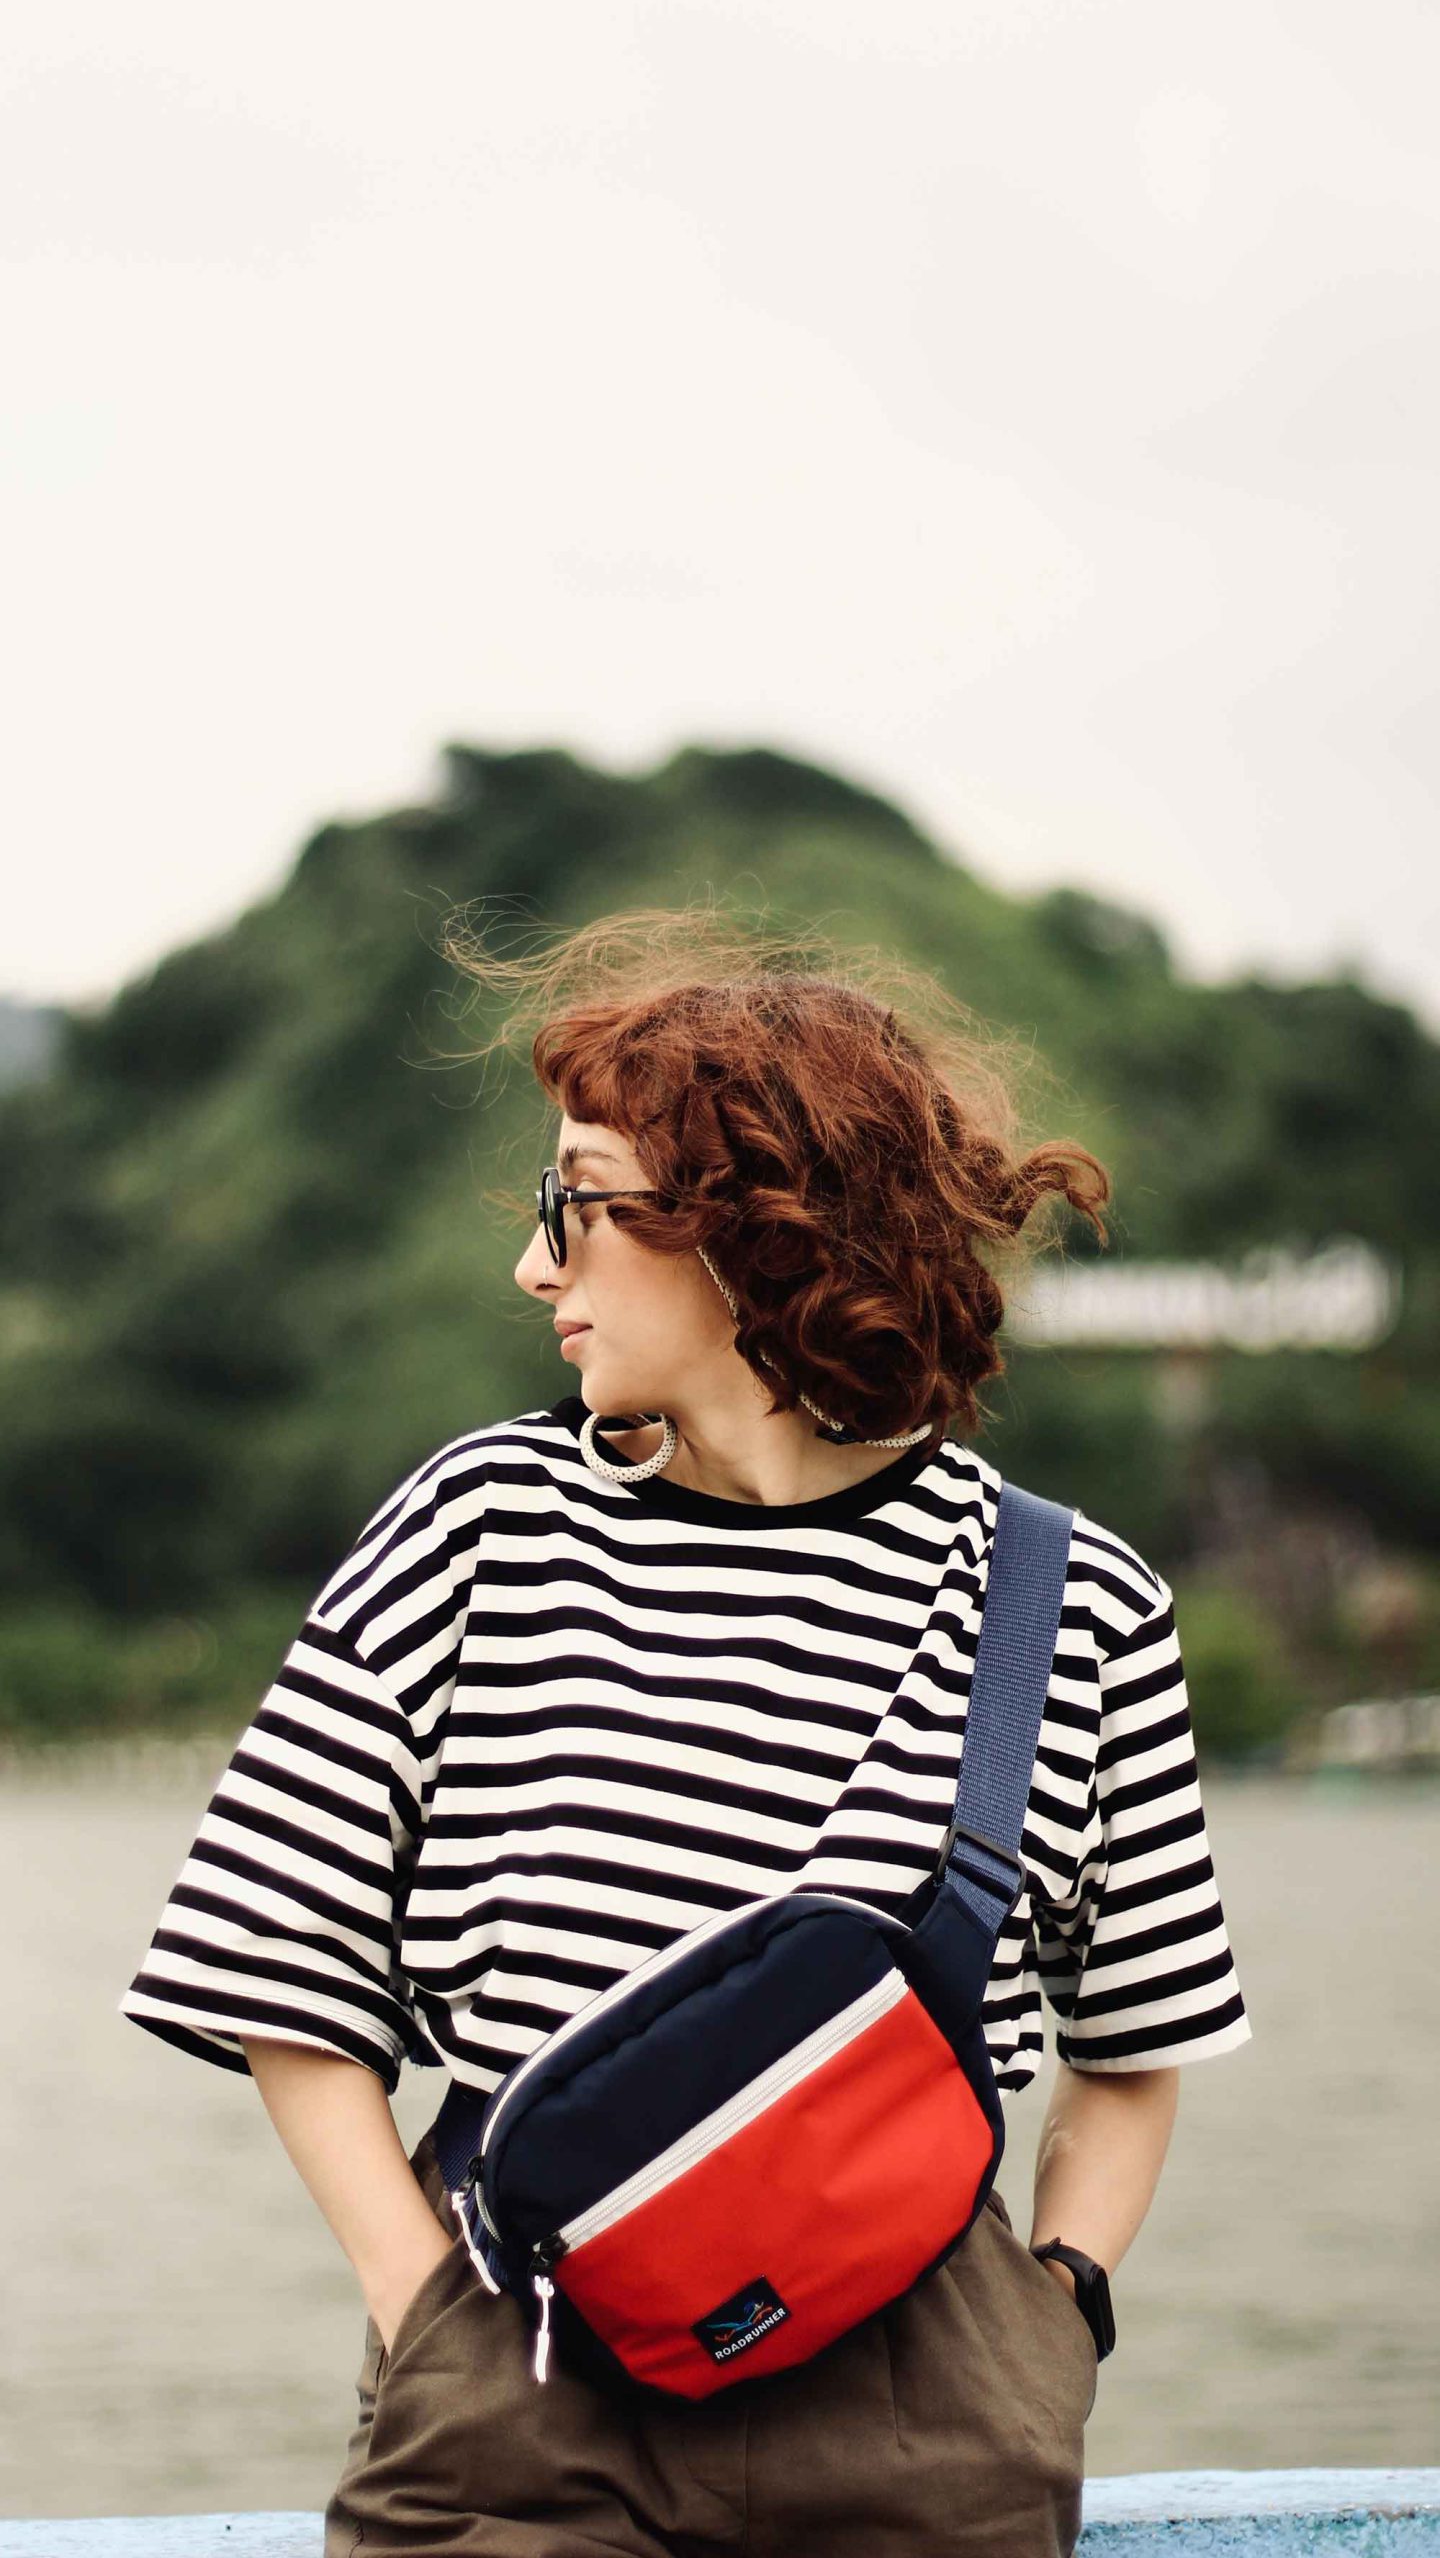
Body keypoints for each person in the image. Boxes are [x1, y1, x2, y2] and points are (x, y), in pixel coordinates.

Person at [119, 929, 1252, 2557]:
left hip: (927, 2409)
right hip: (519, 2362)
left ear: (752, 1229)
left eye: (576, 1203)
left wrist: (1051, 2318)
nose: (536, 1267)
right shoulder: (478, 1529)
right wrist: (426, 2311)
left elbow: (1135, 2045)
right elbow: (273, 1963)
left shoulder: (1071, 1605)